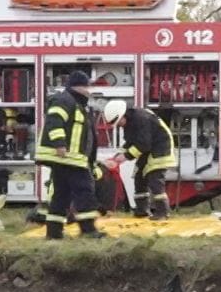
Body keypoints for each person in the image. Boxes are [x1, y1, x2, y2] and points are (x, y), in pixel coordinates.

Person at [34, 69, 104, 240]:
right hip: (68, 158)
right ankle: (88, 230)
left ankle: (54, 232)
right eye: (87, 87)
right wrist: (59, 143)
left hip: (71, 159)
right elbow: (54, 121)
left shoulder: (77, 104)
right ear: (79, 87)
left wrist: (91, 163)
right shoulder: (64, 99)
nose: (89, 91)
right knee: (84, 191)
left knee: (61, 194)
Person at [103, 98, 176, 221]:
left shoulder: (141, 119)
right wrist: (116, 157)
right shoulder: (130, 122)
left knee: (155, 180)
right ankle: (142, 211)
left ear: (123, 114)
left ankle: (162, 212)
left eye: (118, 122)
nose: (119, 126)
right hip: (148, 151)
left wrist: (126, 157)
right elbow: (131, 142)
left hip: (160, 150)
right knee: (139, 177)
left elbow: (143, 144)